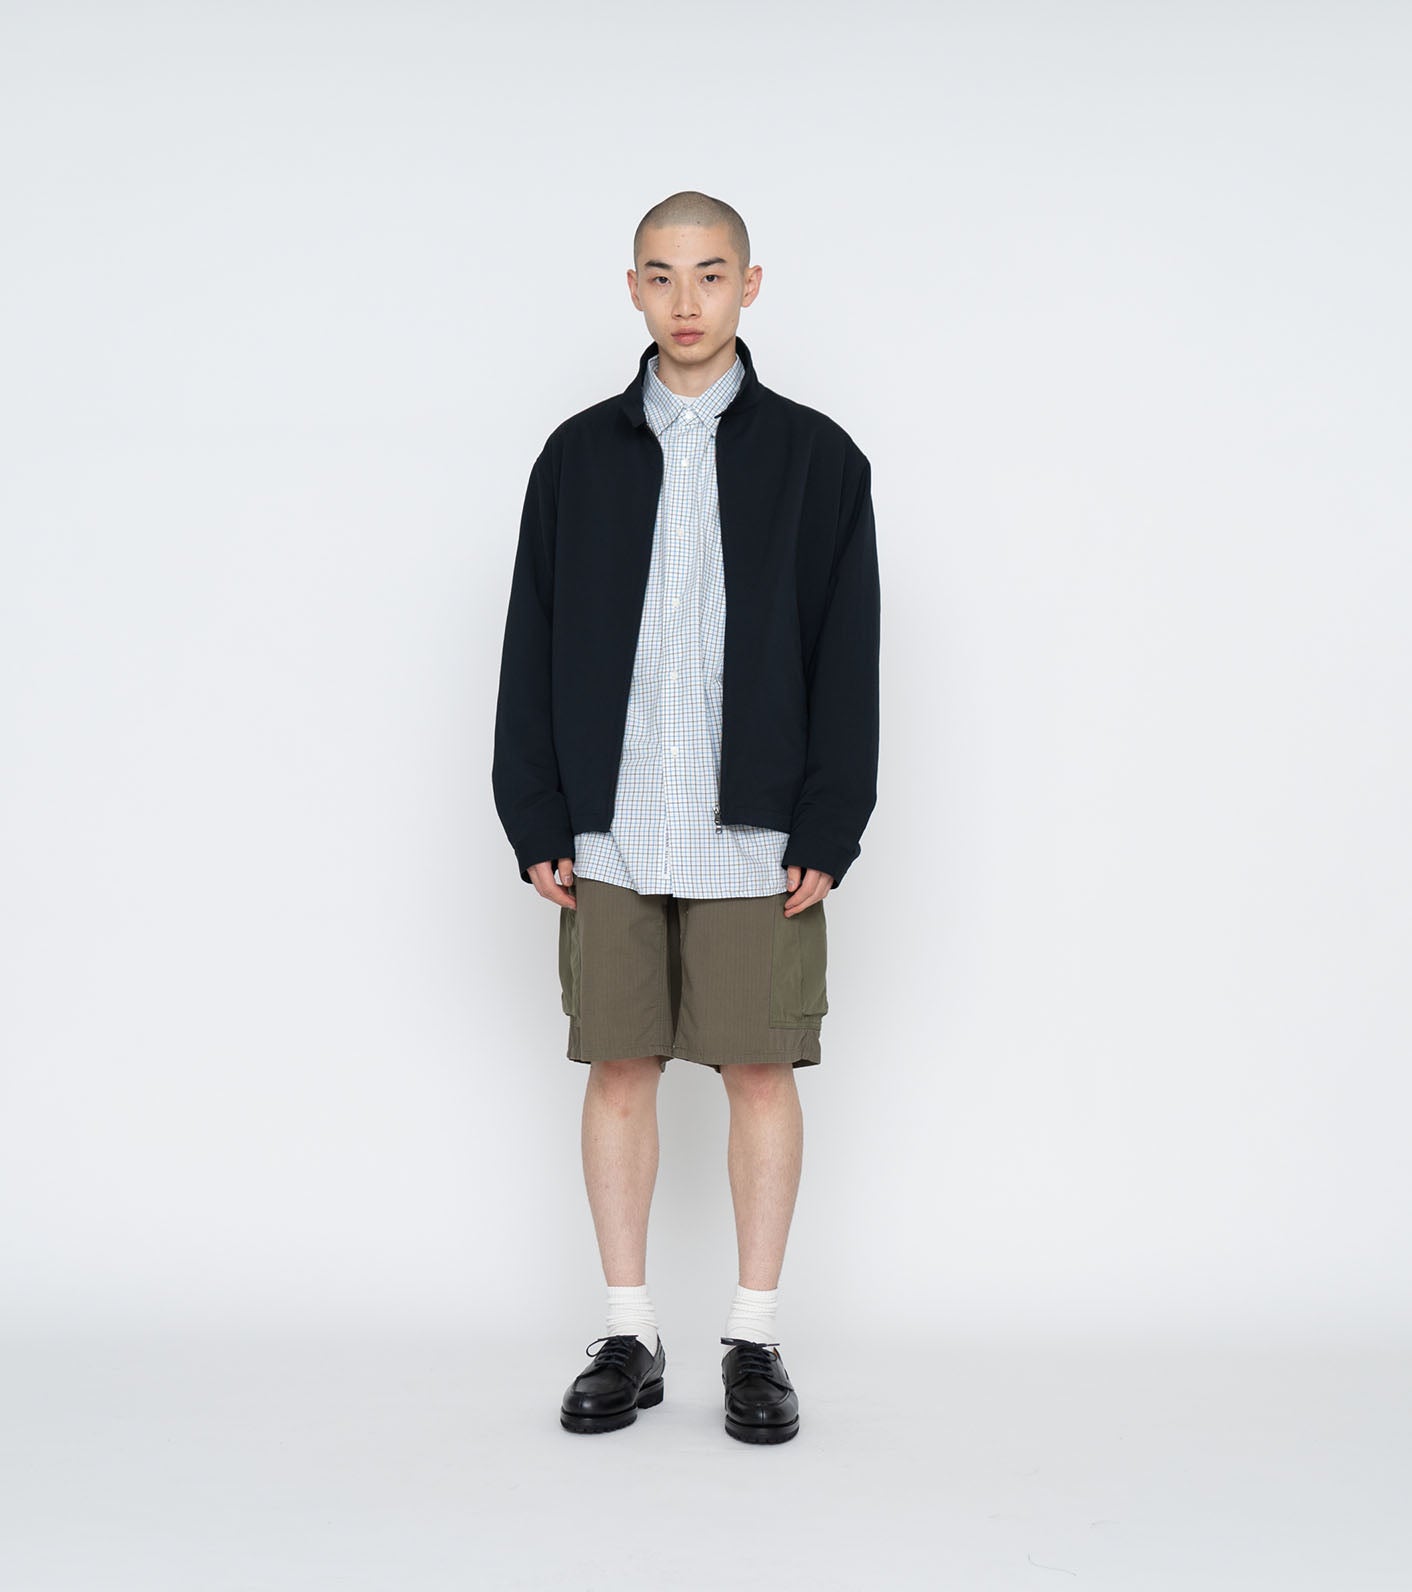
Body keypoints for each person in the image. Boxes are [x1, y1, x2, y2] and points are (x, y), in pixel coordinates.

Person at [492, 190, 880, 1444]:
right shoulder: (575, 456)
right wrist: (534, 808)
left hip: (754, 832)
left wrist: (828, 820)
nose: (686, 300)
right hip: (608, 825)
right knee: (618, 1064)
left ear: (748, 285)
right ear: (632, 287)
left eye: (710, 274)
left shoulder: (817, 459)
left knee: (758, 1066)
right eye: (661, 275)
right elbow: (531, 637)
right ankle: (627, 1330)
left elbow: (848, 651)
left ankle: (754, 1337)